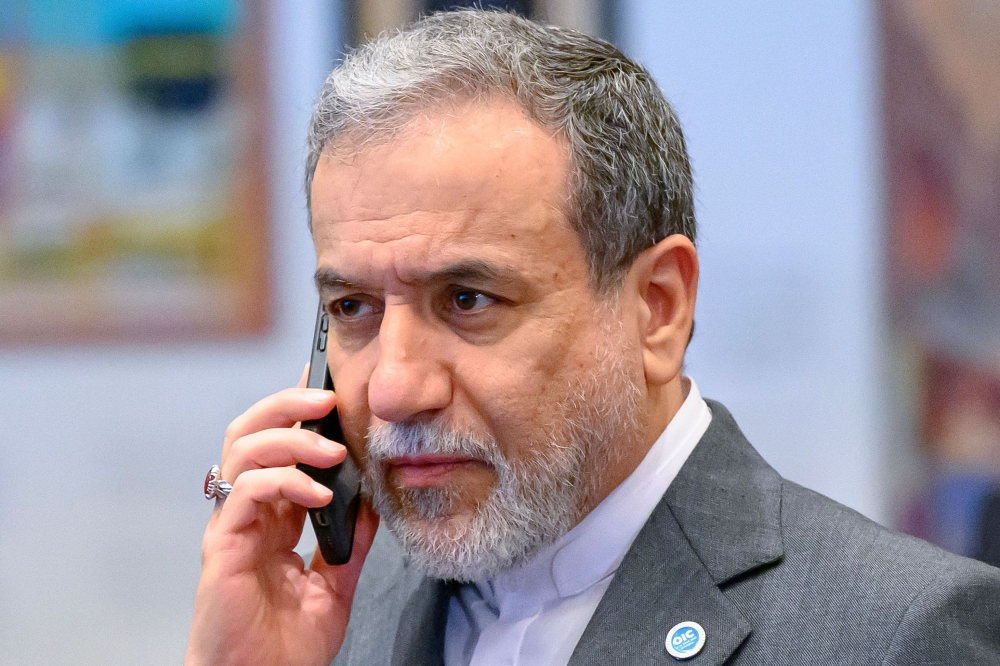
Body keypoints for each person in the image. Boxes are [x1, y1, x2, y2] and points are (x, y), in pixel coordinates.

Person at [186, 10, 1000, 666]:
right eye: (355, 309)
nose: (394, 389)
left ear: (657, 308)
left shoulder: (893, 634)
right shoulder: (338, 606)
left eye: (467, 299)